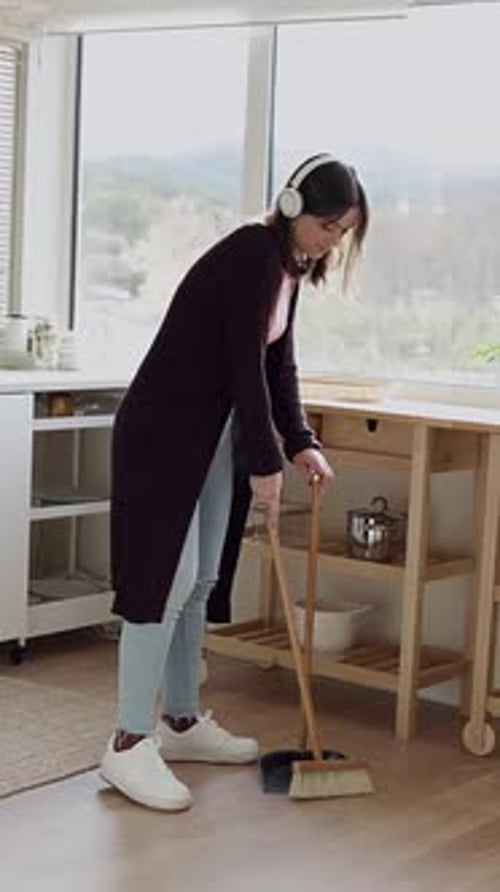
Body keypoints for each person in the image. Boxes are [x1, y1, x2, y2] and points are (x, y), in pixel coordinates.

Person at [99, 153, 369, 811]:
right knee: (162, 582)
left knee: (199, 580)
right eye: (328, 226)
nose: (332, 241)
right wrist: (265, 463)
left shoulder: (289, 272)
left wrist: (300, 443)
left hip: (211, 437)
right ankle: (128, 742)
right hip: (164, 434)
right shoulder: (252, 255)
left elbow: (279, 367)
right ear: (293, 207)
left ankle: (182, 721)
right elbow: (244, 368)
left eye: (343, 233)